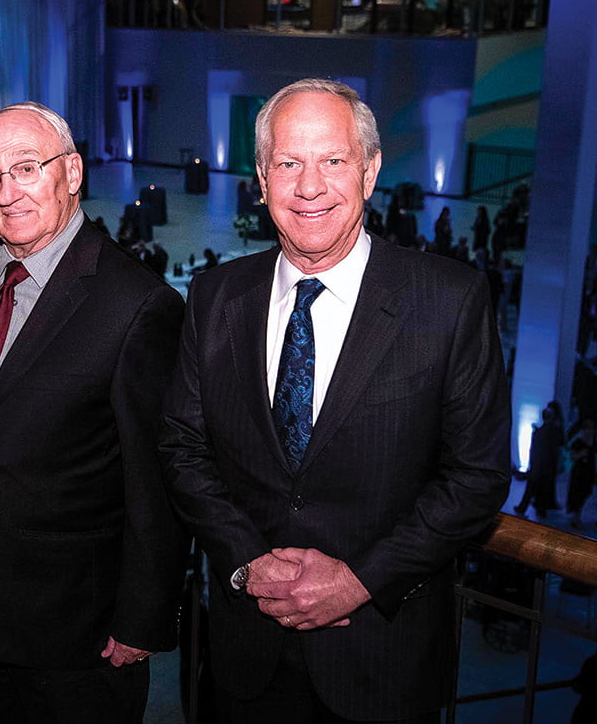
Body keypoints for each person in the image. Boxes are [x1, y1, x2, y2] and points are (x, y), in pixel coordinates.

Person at [160, 78, 511, 724]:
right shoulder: (215, 297)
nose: (310, 186)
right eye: (289, 163)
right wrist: (246, 562)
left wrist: (360, 579)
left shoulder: (450, 302)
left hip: (381, 659)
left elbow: (478, 477)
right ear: (261, 178)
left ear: (371, 171)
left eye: (333, 161)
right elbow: (182, 448)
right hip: (244, 660)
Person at [0, 101, 186, 723]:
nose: (7, 193)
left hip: (69, 628)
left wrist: (142, 616)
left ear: (73, 172)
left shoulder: (138, 304)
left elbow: (157, 478)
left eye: (27, 168)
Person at [514, 403, 566, 519]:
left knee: (532, 487)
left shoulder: (541, 432)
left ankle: (526, 508)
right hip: (546, 466)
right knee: (542, 488)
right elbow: (555, 449)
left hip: (539, 465)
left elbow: (535, 450)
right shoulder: (553, 431)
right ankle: (538, 510)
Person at [567, 419, 596, 528]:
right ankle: (575, 518)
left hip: (588, 472)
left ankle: (576, 517)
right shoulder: (578, 442)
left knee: (584, 494)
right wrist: (581, 454)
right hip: (579, 472)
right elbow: (573, 457)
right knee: (577, 495)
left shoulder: (593, 443)